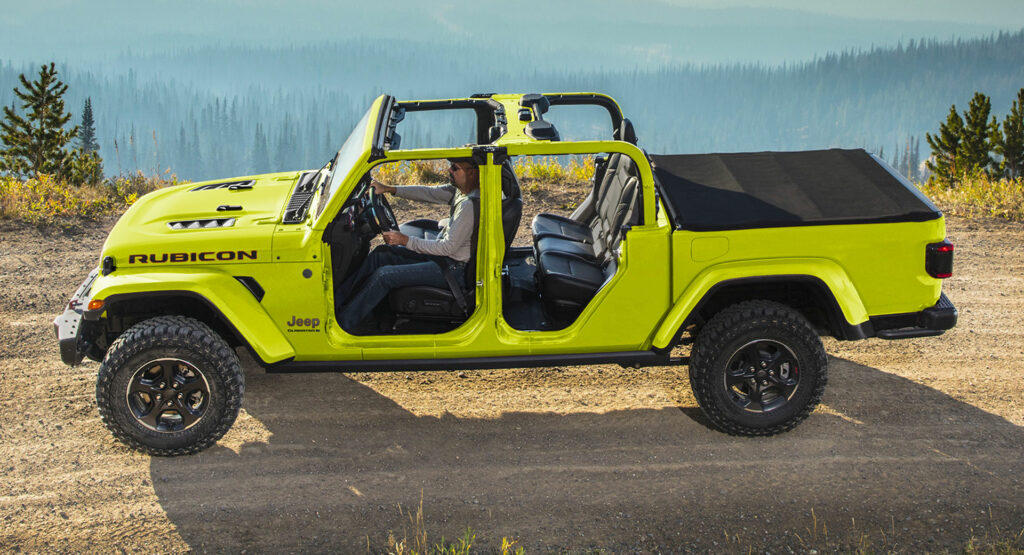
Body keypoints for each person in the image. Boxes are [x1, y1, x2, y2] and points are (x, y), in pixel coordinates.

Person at [336, 158, 480, 332]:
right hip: (444, 258)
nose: (449, 170)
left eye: (455, 168)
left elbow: (446, 248)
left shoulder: (469, 206)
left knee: (384, 276)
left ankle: (343, 325)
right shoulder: (460, 191)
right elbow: (429, 193)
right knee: (381, 254)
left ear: (472, 172)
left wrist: (404, 240)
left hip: (453, 268)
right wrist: (390, 189)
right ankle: (336, 302)